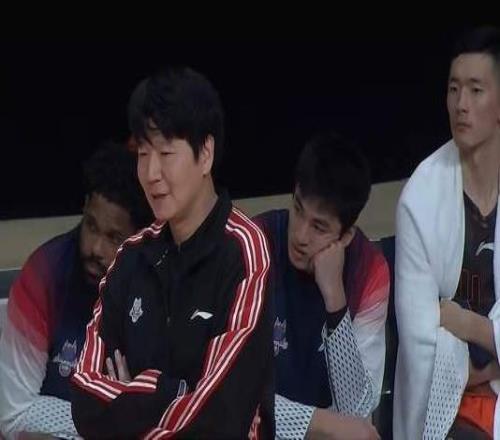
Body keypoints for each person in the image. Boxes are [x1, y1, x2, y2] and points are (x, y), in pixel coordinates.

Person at [70, 66, 275, 439]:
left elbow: (220, 419)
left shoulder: (245, 251)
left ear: (206, 154)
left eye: (166, 152)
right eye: (143, 152)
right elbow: (84, 398)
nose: (151, 172)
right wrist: (172, 391)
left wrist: (132, 393)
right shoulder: (131, 256)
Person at [0, 142, 153, 439]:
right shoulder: (44, 274)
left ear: (140, 238)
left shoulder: (158, 286)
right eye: (91, 226)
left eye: (113, 237)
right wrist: (104, 422)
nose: (95, 248)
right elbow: (12, 415)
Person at [394, 26, 500, 439]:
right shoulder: (421, 197)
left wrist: (467, 324)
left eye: (476, 90)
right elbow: (420, 339)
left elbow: (444, 323)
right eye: (454, 90)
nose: (461, 105)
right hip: (447, 404)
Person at [254, 132, 388, 440]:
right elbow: (235, 397)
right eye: (298, 209)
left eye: (319, 227)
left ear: (345, 236)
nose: (300, 236)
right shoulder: (255, 244)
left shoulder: (369, 270)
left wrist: (335, 299)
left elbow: (357, 412)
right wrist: (319, 422)